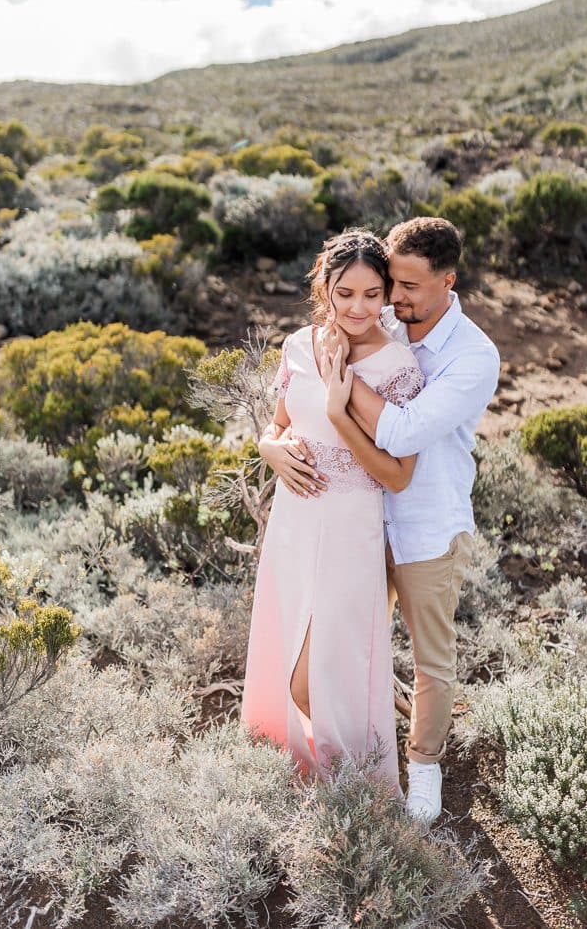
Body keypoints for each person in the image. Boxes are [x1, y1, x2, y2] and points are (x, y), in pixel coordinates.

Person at [262, 217, 500, 823]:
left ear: (448, 281)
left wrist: (339, 391)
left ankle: (423, 766)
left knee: (430, 658)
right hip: (350, 526)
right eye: (389, 285)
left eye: (406, 287)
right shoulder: (376, 318)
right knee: (336, 651)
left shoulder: (473, 356)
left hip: (420, 522)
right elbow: (289, 411)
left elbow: (401, 435)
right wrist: (270, 444)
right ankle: (370, 724)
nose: (392, 300)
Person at [243, 230, 425, 788]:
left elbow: (399, 475)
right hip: (294, 524)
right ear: (324, 286)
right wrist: (270, 450)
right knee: (289, 652)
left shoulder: (398, 367)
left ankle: (352, 786)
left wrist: (340, 402)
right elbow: (276, 427)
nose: (359, 308)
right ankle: (315, 782)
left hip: (351, 528)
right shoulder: (297, 346)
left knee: (314, 676)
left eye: (373, 295)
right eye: (346, 293)